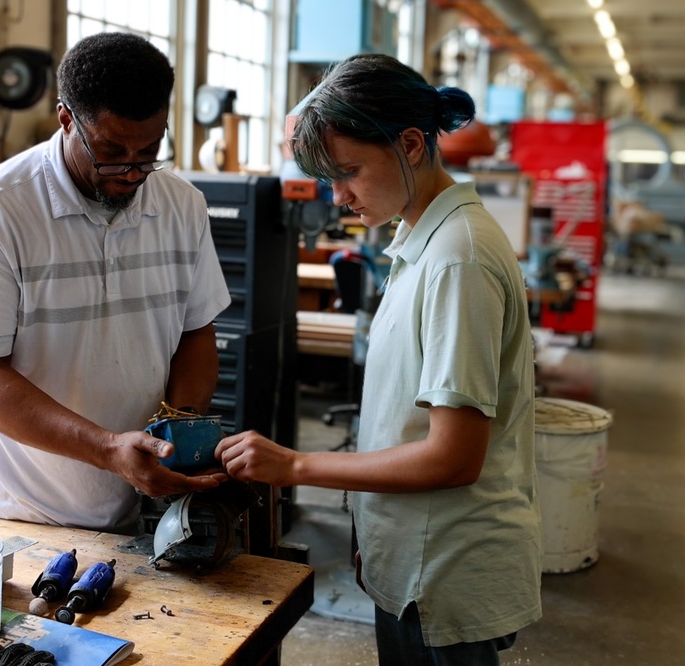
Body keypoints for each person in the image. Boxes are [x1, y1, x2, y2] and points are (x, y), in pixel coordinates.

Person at [215, 54, 541, 664]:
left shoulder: (457, 260)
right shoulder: (421, 239)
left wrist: (297, 465)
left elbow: (453, 455)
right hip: (413, 551)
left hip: (446, 565)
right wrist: (375, 529)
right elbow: (405, 417)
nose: (338, 196)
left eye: (349, 172)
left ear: (411, 145)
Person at [0, 32, 230, 533]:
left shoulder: (183, 207)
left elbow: (196, 333)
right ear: (66, 119)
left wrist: (175, 434)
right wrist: (108, 450)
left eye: (149, 151)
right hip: (21, 517)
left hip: (137, 509)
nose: (131, 172)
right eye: (112, 150)